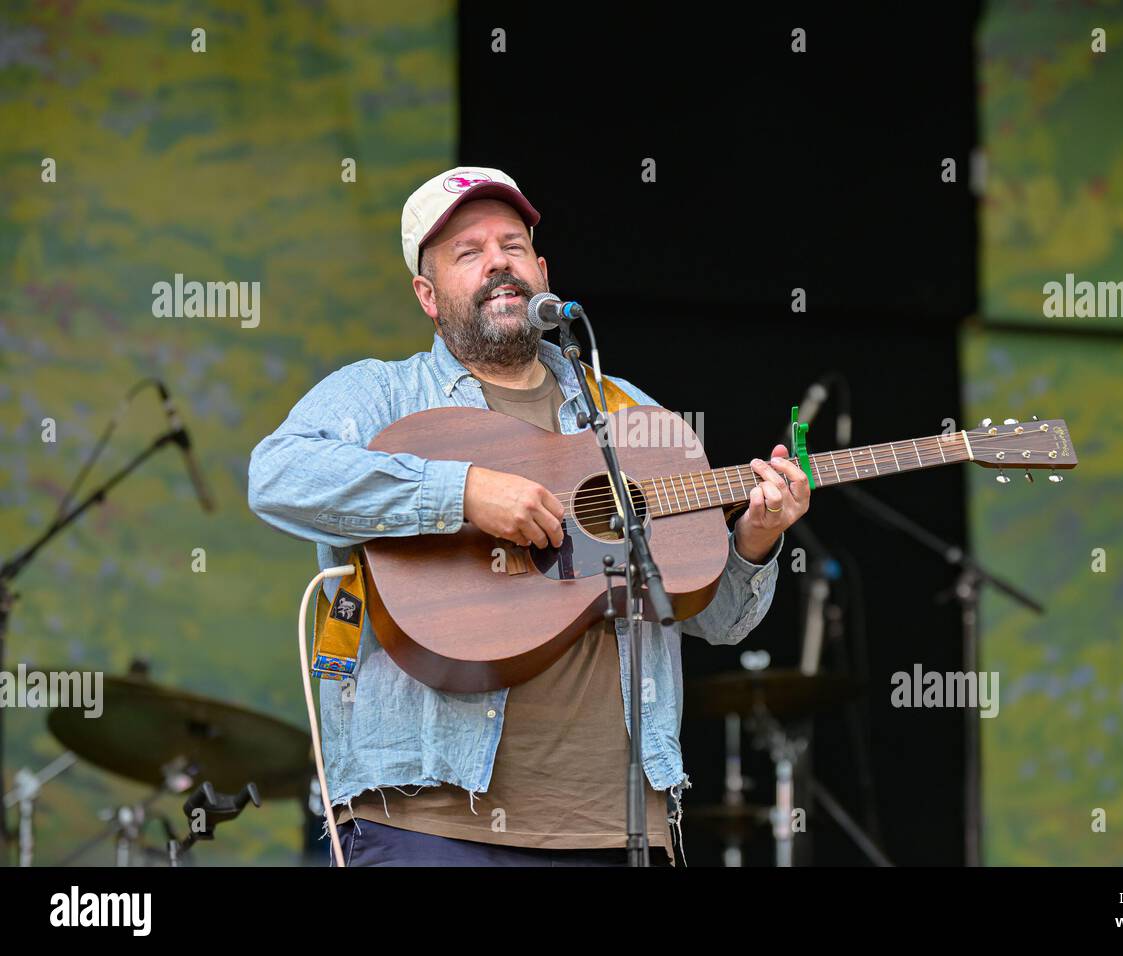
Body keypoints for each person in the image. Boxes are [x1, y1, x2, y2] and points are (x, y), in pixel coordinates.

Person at [248, 166, 810, 866]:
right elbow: (277, 476)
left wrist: (755, 539)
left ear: (542, 271)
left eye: (512, 245)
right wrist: (462, 493)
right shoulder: (381, 394)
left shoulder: (630, 415)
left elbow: (716, 619)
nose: (497, 264)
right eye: (467, 252)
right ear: (427, 295)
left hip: (619, 827)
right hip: (432, 822)